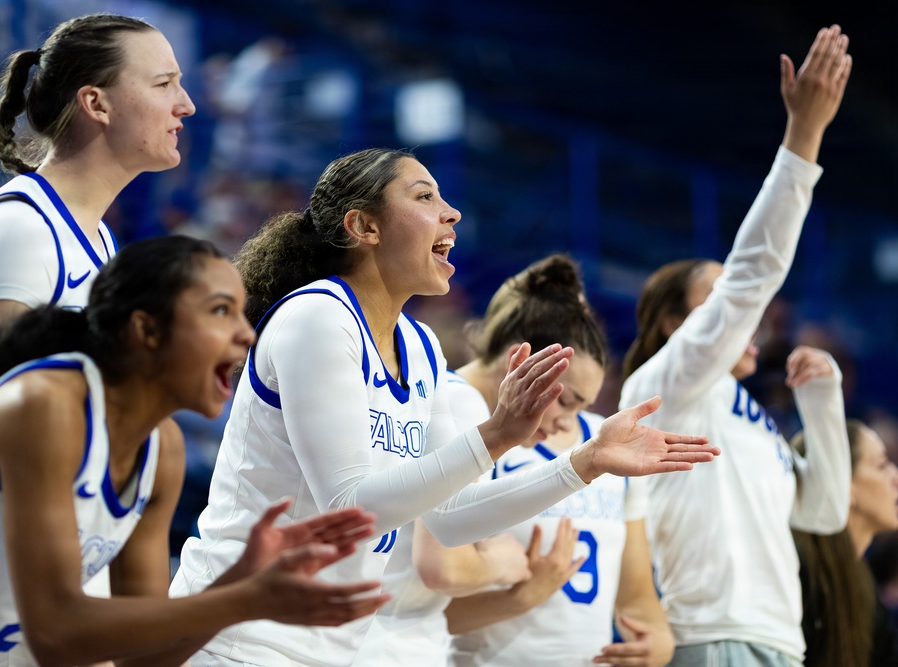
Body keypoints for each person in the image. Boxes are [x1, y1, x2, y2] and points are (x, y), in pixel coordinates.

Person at [171, 148, 718, 667]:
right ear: (365, 227)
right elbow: (350, 507)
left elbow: (451, 519)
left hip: (329, 646)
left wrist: (585, 462)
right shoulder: (319, 316)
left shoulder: (422, 346)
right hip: (241, 636)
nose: (451, 212)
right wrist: (499, 434)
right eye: (424, 197)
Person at [0, 236, 389, 667]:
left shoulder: (161, 451)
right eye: (220, 311)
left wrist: (241, 580)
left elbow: (139, 659)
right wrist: (243, 600)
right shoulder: (45, 406)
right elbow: (55, 633)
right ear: (147, 331)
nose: (246, 333)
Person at [619, 25, 853, 667]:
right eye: (716, 302)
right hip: (707, 638)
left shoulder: (747, 415)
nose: (744, 319)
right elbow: (752, 277)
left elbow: (826, 511)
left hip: (780, 640)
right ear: (674, 324)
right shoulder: (664, 390)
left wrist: (822, 401)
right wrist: (803, 140)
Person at [359, 254, 671, 667]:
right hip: (401, 644)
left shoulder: (457, 399)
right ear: (521, 361)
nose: (566, 422)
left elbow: (636, 595)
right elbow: (442, 566)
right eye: (569, 400)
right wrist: (511, 571)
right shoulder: (460, 403)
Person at [0, 13, 195, 379]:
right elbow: (4, 421)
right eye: (164, 84)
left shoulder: (98, 237)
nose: (186, 104)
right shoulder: (22, 231)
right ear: (96, 104)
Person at [794, 419, 898, 667]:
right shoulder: (800, 573)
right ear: (844, 483)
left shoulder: (865, 587)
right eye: (882, 465)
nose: (895, 476)